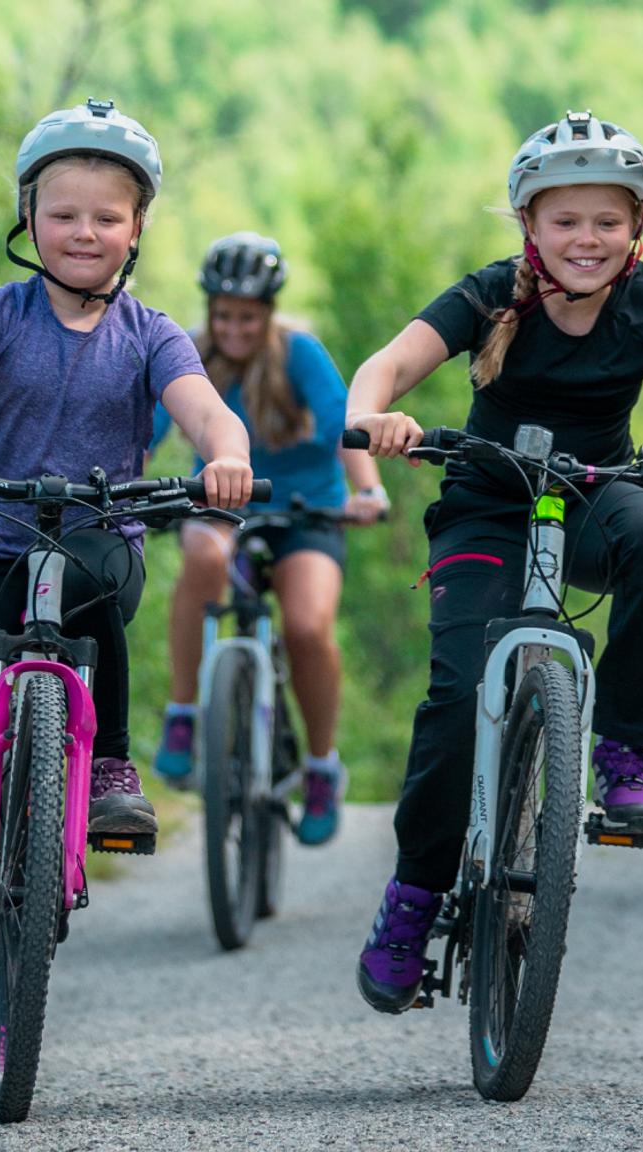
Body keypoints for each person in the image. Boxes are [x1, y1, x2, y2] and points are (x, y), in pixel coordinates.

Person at [346, 111, 643, 1013]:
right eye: (567, 221)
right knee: (460, 699)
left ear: (637, 230)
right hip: (486, 506)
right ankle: (414, 895)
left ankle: (620, 746)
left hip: (591, 495)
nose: (589, 239)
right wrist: (381, 416)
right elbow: (382, 369)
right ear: (529, 226)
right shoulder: (490, 292)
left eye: (608, 222)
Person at [0, 99, 255, 1039]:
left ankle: (110, 760)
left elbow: (202, 410)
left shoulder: (153, 334)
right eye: (64, 212)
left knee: (88, 578)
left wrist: (225, 454)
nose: (84, 232)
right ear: (28, 216)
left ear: (137, 229)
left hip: (93, 543)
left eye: (107, 217)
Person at [148, 231, 389, 846]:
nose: (235, 329)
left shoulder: (300, 355)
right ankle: (183, 712)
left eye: (248, 317)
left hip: (308, 514)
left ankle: (320, 766)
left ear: (269, 313)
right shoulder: (190, 356)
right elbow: (143, 431)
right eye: (224, 315)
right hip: (226, 507)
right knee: (202, 551)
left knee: (307, 628)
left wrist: (367, 492)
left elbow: (346, 428)